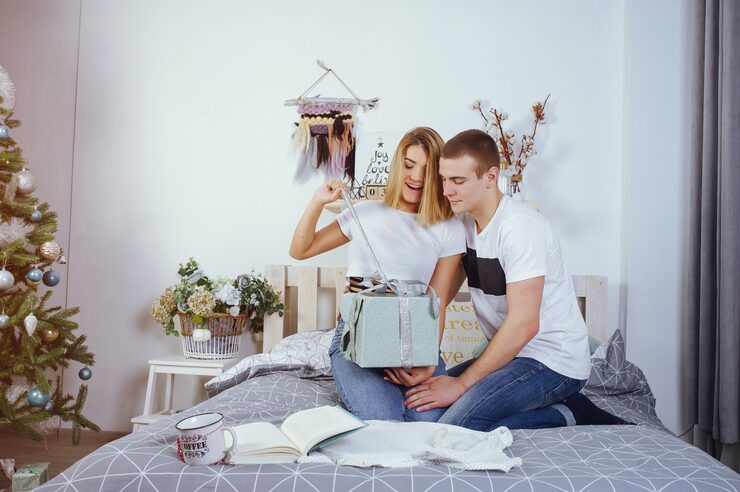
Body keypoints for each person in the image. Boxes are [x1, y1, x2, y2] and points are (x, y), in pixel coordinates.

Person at [404, 129, 626, 430]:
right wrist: (423, 359)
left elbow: (525, 324)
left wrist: (460, 385)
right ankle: (558, 405)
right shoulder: (463, 225)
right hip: (513, 357)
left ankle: (569, 413)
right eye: (444, 179)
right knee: (425, 408)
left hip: (553, 361)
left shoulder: (519, 228)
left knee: (457, 426)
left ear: (490, 177)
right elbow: (439, 297)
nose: (447, 190)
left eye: (458, 181)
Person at [289, 127, 465, 422]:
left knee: (429, 424)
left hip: (414, 336)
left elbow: (437, 301)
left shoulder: (448, 227)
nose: (417, 177)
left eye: (427, 169)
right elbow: (300, 250)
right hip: (359, 337)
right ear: (397, 165)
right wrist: (318, 201)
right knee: (383, 420)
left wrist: (427, 362)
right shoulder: (365, 212)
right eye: (409, 165)